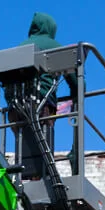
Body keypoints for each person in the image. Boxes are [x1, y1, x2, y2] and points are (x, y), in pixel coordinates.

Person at [16, 12, 79, 176]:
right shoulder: (54, 46)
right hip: (41, 108)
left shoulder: (22, 46)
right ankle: (41, 175)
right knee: (42, 144)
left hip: (15, 110)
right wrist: (76, 95)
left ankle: (27, 174)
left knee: (25, 145)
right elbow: (76, 81)